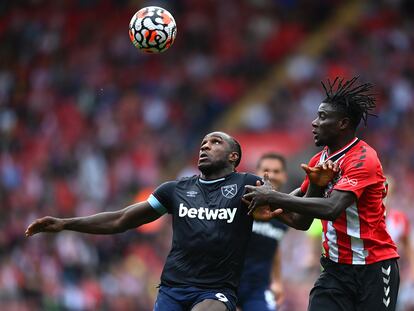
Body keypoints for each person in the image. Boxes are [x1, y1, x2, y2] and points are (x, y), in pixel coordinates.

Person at [25, 131, 272, 311]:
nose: (205, 146)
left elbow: (292, 215)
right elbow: (121, 219)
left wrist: (287, 196)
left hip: (215, 290)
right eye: (203, 143)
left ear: (233, 156)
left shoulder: (247, 185)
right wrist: (65, 224)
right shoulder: (175, 190)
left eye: (215, 142)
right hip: (172, 289)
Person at [243, 77, 400, 311]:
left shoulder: (363, 159)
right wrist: (270, 208)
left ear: (343, 124)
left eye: (323, 117)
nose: (314, 123)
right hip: (335, 271)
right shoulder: (319, 160)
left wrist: (273, 196)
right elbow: (301, 220)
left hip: (374, 268)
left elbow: (331, 208)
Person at [237, 153, 288, 311]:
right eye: (266, 170)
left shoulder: (285, 213)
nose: (271, 175)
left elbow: (275, 245)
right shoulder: (240, 203)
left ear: (284, 176)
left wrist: (278, 281)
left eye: (276, 171)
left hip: (258, 289)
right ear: (256, 173)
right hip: (226, 283)